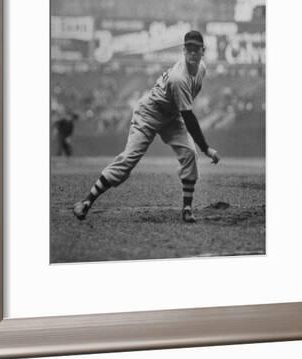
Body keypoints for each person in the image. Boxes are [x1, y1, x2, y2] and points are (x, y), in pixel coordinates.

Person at [73, 30, 220, 223]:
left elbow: (185, 110)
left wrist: (199, 147)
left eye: (196, 49)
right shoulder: (179, 78)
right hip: (149, 112)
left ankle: (186, 208)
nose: (192, 53)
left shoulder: (201, 68)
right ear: (183, 50)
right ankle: (85, 202)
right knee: (128, 160)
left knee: (190, 155)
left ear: (203, 51)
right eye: (189, 49)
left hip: (171, 115)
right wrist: (206, 148)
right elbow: (189, 117)